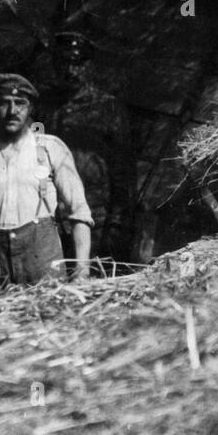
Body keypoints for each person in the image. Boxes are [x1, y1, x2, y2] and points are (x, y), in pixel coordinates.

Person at [0, 73, 94, 292]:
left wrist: (82, 271)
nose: (12, 111)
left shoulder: (50, 148)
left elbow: (79, 213)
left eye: (20, 103)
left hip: (43, 265)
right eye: (4, 103)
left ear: (30, 108)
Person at [39, 31, 136, 263]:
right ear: (54, 64)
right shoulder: (43, 106)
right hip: (51, 213)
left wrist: (117, 224)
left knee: (89, 282)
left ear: (89, 66)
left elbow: (123, 172)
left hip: (96, 216)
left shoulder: (108, 108)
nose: (70, 70)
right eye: (64, 62)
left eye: (78, 63)